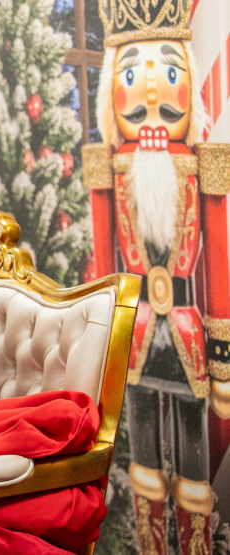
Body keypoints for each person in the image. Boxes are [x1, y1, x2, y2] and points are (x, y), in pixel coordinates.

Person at [83, 0, 230, 552]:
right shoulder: (112, 169)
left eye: (168, 71)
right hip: (137, 336)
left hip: (190, 332)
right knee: (144, 456)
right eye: (131, 73)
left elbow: (218, 264)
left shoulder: (200, 166)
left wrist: (223, 358)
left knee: (193, 469)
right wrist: (102, 347)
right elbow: (103, 268)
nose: (149, 93)